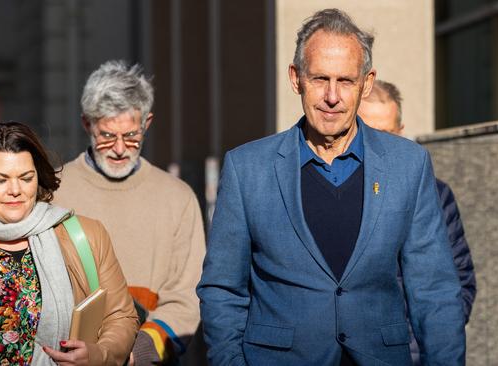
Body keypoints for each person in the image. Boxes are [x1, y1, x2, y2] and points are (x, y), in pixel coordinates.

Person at [197, 8, 466, 365]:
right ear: (296, 79)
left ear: (366, 83)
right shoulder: (248, 169)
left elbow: (435, 292)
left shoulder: (408, 164)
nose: (332, 96)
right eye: (320, 79)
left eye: (346, 81)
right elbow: (222, 290)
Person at [0, 122, 139, 365]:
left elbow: (121, 316)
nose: (15, 190)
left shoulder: (88, 235)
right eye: (0, 180)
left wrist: (97, 355)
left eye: (26, 178)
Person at [53, 60, 205, 365]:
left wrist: (140, 350)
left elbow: (188, 296)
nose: (120, 148)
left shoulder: (178, 198)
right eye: (107, 136)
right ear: (87, 125)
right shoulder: (53, 191)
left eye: (132, 136)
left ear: (147, 123)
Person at [358, 79, 477, 365]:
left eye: (388, 133)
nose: (380, 144)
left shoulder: (436, 194)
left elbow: (458, 282)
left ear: (401, 132)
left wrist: (423, 343)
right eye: (371, 133)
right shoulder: (335, 191)